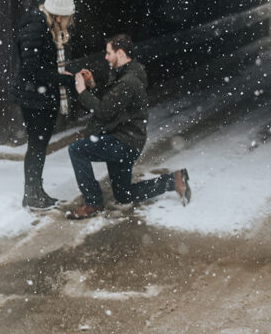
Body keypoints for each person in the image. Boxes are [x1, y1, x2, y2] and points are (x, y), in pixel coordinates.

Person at [66, 33, 190, 219]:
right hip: (126, 139)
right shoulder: (124, 74)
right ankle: (174, 180)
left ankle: (93, 203)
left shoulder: (128, 81)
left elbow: (103, 110)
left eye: (109, 53)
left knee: (77, 150)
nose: (106, 57)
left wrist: (82, 92)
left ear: (121, 53)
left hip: (123, 141)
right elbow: (111, 101)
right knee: (123, 194)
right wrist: (92, 85)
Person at [12, 0, 76, 210]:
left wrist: (58, 77)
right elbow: (32, 69)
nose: (68, 22)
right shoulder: (36, 28)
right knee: (37, 145)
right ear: (58, 16)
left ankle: (36, 191)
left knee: (39, 145)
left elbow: (41, 67)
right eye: (67, 18)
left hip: (40, 95)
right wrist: (64, 79)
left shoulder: (44, 26)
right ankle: (32, 194)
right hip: (34, 97)